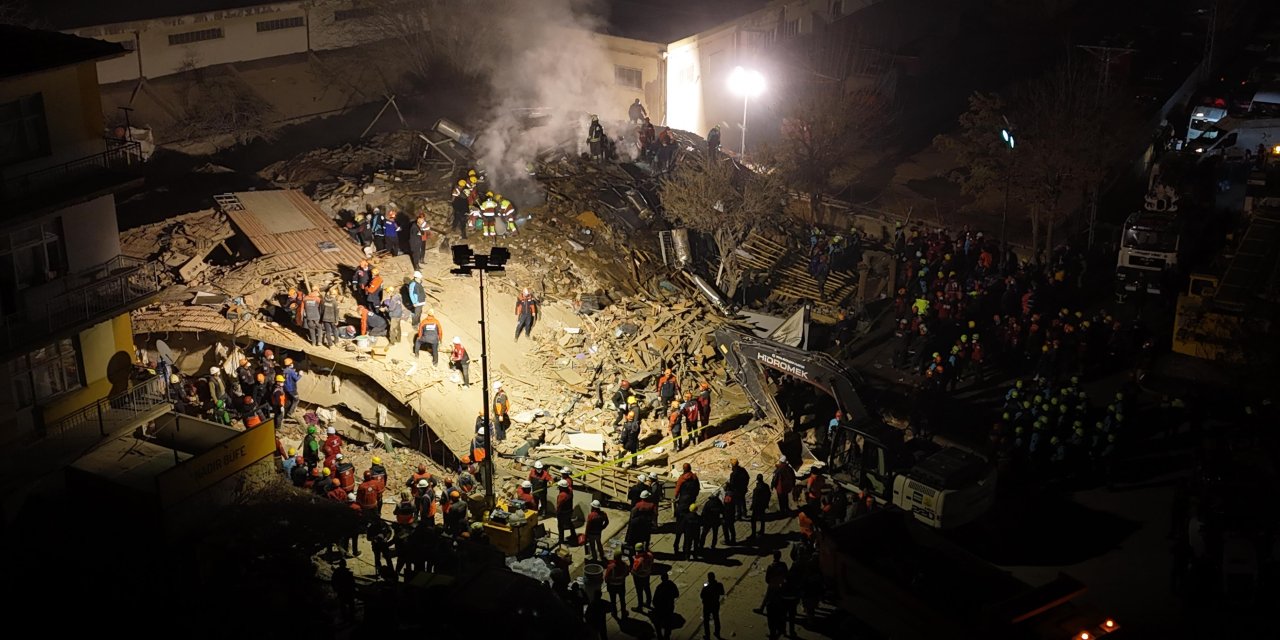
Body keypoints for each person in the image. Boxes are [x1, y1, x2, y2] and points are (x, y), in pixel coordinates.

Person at [652, 570, 679, 640]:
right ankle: (667, 635)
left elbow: (655, 599)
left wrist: (656, 606)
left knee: (658, 622)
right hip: (669, 607)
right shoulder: (671, 584)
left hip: (661, 608)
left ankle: (660, 635)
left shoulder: (659, 587)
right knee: (668, 622)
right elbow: (677, 594)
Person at [604, 550, 630, 620]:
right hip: (621, 586)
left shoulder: (610, 567)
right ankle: (623, 612)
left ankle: (614, 613)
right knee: (622, 600)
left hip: (612, 587)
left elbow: (606, 579)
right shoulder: (625, 565)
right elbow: (627, 573)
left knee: (613, 601)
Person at [700, 571, 725, 639]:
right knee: (716, 618)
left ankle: (707, 635)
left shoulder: (706, 586)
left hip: (707, 605)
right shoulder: (719, 585)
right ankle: (717, 632)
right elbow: (722, 593)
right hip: (715, 604)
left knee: (706, 620)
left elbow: (702, 595)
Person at [631, 542, 654, 610]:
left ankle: (640, 606)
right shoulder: (650, 555)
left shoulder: (638, 560)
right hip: (647, 575)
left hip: (639, 577)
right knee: (647, 589)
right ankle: (648, 603)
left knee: (639, 591)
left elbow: (634, 570)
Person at [556, 478, 576, 545]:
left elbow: (559, 506)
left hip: (562, 513)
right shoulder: (570, 490)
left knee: (560, 526)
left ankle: (561, 540)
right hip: (569, 510)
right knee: (569, 523)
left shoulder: (562, 495)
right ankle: (573, 535)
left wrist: (557, 513)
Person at [750, 473, 770, 538]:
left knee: (753, 520)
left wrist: (752, 506)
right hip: (763, 505)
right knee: (762, 519)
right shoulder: (766, 486)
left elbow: (755, 499)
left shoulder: (757, 489)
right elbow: (768, 495)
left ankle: (753, 533)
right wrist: (766, 503)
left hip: (757, 506)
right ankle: (762, 531)